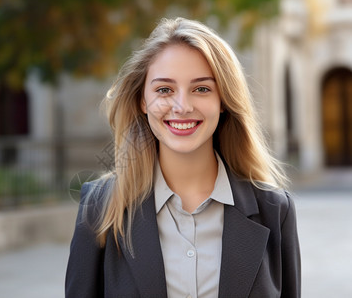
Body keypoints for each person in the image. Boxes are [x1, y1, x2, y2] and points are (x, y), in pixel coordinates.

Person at [65, 17, 301, 298]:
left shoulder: (274, 210)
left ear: (223, 100)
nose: (182, 106)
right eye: (164, 89)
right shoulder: (100, 207)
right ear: (142, 101)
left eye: (201, 88)